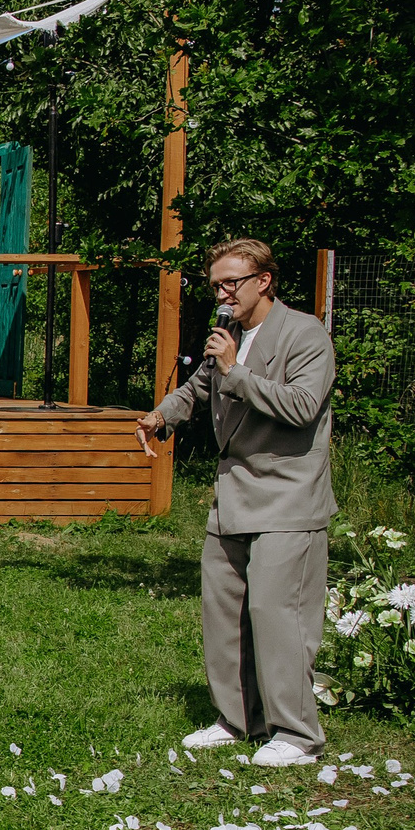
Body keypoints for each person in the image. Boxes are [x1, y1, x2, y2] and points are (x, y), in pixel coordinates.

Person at [138, 237, 339, 767]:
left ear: (263, 281)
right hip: (233, 495)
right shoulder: (228, 337)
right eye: (216, 285)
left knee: (279, 614)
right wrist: (162, 416)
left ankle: (297, 735)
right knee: (224, 611)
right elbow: (199, 387)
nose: (223, 294)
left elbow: (300, 406)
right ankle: (238, 719)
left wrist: (236, 371)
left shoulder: (305, 334)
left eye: (232, 283)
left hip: (287, 497)